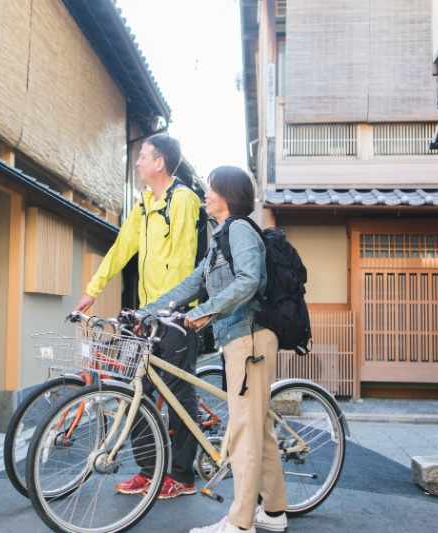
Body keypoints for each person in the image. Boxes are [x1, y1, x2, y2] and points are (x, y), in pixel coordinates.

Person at [143, 166, 288, 533]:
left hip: (249, 338)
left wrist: (204, 314)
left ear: (227, 194)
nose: (205, 195)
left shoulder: (239, 230)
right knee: (258, 429)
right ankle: (273, 512)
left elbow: (248, 281)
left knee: (243, 430)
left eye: (210, 190)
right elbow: (191, 284)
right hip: (240, 339)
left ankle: (240, 523)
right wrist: (143, 312)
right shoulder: (220, 238)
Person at [75, 133, 202, 499]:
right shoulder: (144, 203)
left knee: (179, 396)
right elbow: (121, 249)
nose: (138, 162)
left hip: (176, 317)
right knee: (136, 390)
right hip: (148, 317)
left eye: (143, 156)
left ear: (160, 162)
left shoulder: (184, 200)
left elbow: (182, 261)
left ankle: (182, 475)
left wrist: (165, 310)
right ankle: (150, 470)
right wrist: (92, 289)